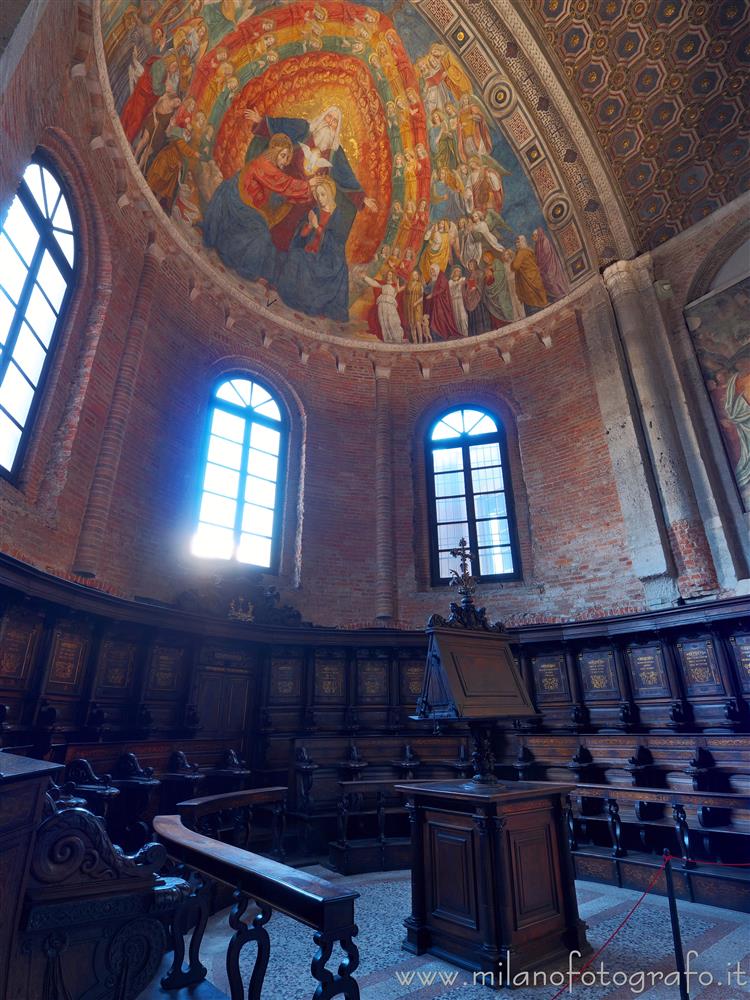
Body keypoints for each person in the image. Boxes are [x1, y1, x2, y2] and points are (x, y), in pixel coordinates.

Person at [243, 105, 377, 253]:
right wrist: (261, 121)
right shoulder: (304, 129)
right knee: (264, 219)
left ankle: (272, 262)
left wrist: (362, 198)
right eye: (329, 117)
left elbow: (346, 177)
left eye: (334, 121)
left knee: (288, 235)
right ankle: (251, 249)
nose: (329, 122)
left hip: (305, 203)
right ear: (322, 116)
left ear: (337, 128)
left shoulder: (335, 153)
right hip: (283, 187)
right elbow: (281, 127)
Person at [202, 133, 311, 284]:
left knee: (262, 230)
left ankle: (240, 259)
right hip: (236, 201)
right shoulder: (264, 165)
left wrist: (291, 198)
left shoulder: (269, 166)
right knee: (261, 234)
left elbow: (277, 191)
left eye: (287, 158)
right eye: (283, 156)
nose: (285, 162)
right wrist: (309, 186)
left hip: (243, 203)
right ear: (275, 152)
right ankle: (246, 269)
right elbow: (284, 184)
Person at [276, 176, 354, 322]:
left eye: (323, 194)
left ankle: (307, 302)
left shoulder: (338, 216)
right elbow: (302, 236)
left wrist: (318, 227)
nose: (320, 199)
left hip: (328, 260)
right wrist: (310, 226)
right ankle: (291, 297)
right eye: (318, 195)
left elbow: (336, 244)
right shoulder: (315, 210)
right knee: (295, 256)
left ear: (331, 194)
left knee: (304, 262)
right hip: (310, 251)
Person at [365, 270, 405, 343]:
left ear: (393, 276)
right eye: (388, 274)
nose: (389, 276)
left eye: (390, 275)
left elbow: (398, 290)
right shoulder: (383, 284)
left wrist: (398, 282)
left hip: (390, 304)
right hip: (382, 304)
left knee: (393, 321)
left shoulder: (395, 285)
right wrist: (365, 277)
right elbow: (374, 283)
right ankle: (388, 338)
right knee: (383, 321)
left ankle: (397, 338)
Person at [511, 235, 549, 312]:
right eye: (516, 243)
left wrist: (512, 262)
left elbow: (515, 266)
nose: (516, 245)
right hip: (535, 274)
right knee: (539, 290)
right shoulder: (529, 250)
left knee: (531, 296)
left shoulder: (521, 252)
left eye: (518, 242)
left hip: (527, 278)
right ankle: (543, 303)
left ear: (522, 242)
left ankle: (536, 308)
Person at [425, 263, 460, 340]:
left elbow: (442, 288)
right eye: (430, 271)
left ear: (436, 270)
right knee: (433, 319)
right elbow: (427, 290)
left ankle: (441, 335)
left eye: (432, 270)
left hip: (441, 303)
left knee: (440, 318)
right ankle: (435, 337)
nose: (431, 272)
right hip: (434, 303)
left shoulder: (442, 277)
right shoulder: (432, 280)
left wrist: (432, 294)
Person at [532, 227, 568, 301]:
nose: (533, 237)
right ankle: (555, 295)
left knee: (552, 279)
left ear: (539, 235)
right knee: (546, 280)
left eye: (535, 235)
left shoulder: (545, 241)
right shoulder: (537, 244)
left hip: (549, 264)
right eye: (533, 236)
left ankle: (560, 294)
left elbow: (547, 255)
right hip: (543, 266)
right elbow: (536, 256)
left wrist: (541, 266)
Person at [404, 270, 427, 343]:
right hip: (409, 306)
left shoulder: (420, 285)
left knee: (417, 323)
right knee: (412, 324)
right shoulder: (408, 285)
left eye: (417, 274)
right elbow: (405, 296)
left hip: (418, 306)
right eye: (414, 274)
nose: (415, 276)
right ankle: (415, 341)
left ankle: (420, 341)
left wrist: (416, 303)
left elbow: (422, 297)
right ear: (411, 276)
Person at [448, 266, 469, 337]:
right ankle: (460, 333)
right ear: (453, 272)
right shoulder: (450, 282)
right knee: (456, 316)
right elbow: (451, 289)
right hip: (454, 300)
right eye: (456, 271)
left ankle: (465, 332)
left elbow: (468, 285)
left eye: (459, 271)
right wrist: (457, 283)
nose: (458, 272)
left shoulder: (463, 279)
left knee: (463, 316)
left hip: (461, 299)